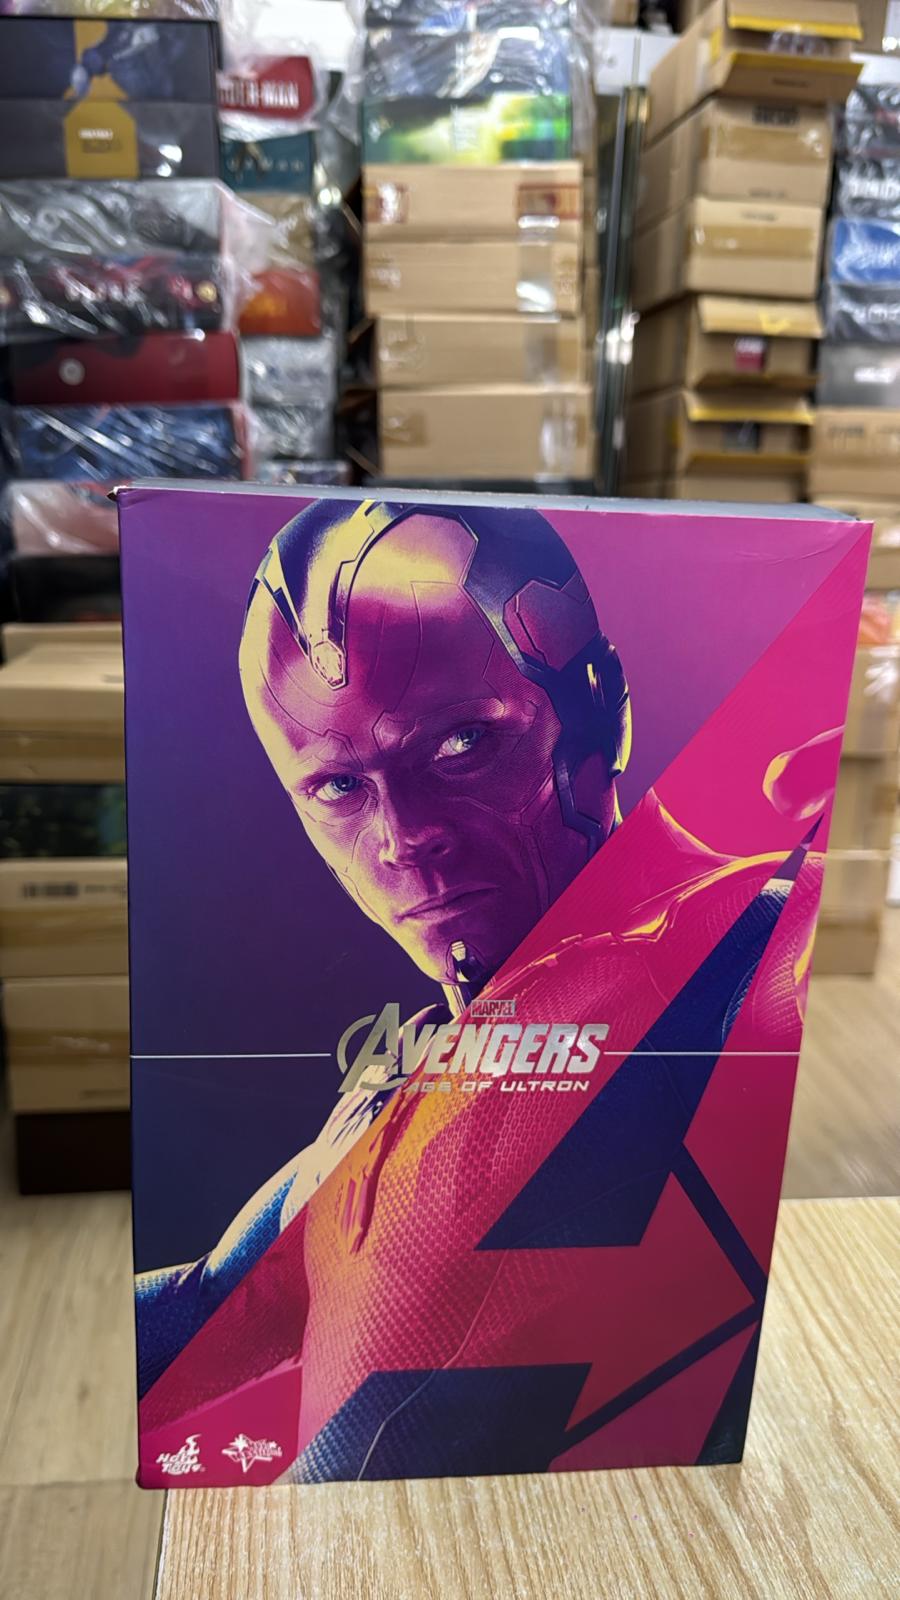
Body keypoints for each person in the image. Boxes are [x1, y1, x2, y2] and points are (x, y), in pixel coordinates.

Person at [137, 499, 823, 1480]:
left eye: (461, 744)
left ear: (600, 710)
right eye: (337, 787)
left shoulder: (738, 946)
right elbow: (208, 1310)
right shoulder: (399, 1083)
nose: (405, 837)